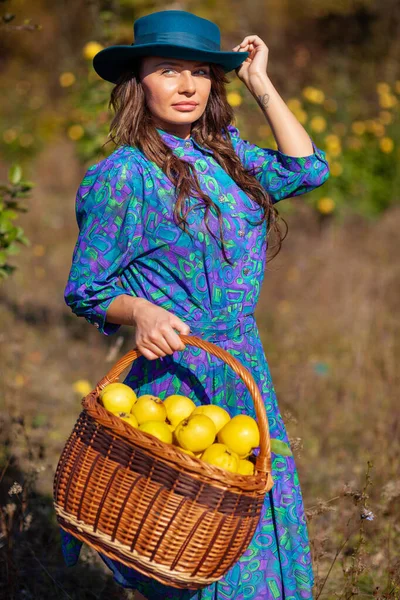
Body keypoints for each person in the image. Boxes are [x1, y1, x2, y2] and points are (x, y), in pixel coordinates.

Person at [61, 9, 330, 600]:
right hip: (179, 376)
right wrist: (141, 312)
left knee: (251, 528)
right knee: (187, 540)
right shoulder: (122, 177)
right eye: (168, 70)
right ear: (139, 82)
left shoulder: (225, 154)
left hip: (243, 366)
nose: (187, 86)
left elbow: (308, 169)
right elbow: (86, 289)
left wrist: (260, 83)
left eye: (201, 73)